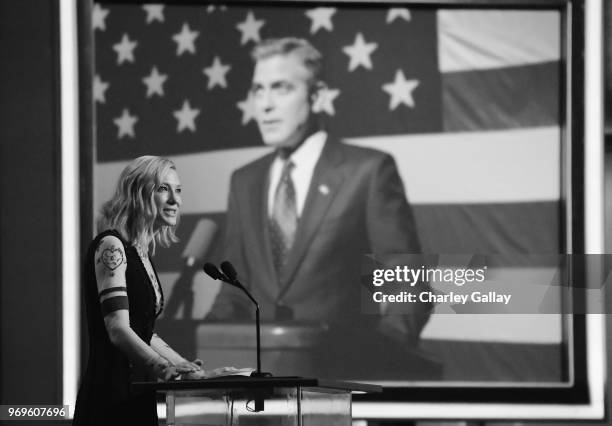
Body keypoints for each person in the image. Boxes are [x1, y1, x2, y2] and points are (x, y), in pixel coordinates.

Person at [206, 38, 434, 379]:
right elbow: (234, 293)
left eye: (281, 88)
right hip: (259, 391)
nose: (264, 105)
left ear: (317, 95)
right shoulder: (244, 181)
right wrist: (198, 354)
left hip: (342, 383)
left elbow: (410, 283)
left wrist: (380, 358)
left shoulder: (368, 171)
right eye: (258, 89)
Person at [73, 156, 207, 426]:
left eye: (178, 190)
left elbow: (143, 330)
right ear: (138, 194)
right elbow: (118, 328)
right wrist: (163, 367)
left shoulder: (140, 253)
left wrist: (187, 369)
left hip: (139, 394)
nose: (174, 200)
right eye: (163, 189)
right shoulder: (111, 245)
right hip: (111, 398)